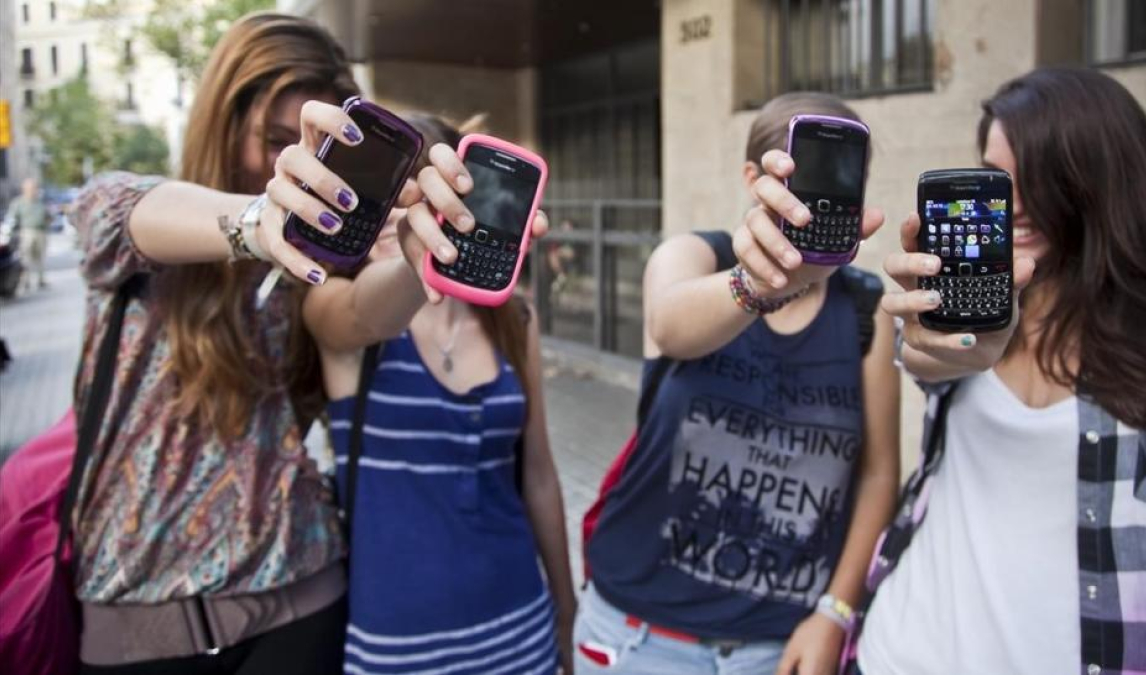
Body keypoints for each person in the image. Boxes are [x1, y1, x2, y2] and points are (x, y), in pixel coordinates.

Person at [64, 14, 459, 674]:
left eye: (311, 149)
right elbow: (130, 214)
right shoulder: (133, 210)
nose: (292, 166)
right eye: (277, 141)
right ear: (223, 117)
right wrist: (256, 221)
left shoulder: (317, 266)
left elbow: (359, 315)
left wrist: (422, 263)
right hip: (135, 623)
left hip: (301, 603)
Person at [855, 66, 1146, 675]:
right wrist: (935, 343)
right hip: (895, 653)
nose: (1006, 204)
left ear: (1098, 177)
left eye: (1036, 175)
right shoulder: (976, 303)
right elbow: (927, 358)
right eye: (994, 177)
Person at [577, 92, 900, 675]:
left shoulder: (864, 308)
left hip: (779, 646)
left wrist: (835, 610)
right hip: (640, 634)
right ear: (754, 178)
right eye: (802, 174)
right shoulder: (693, 256)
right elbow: (669, 326)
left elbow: (879, 472)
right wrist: (761, 284)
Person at [300, 111, 576, 674]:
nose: (401, 215)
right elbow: (359, 312)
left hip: (521, 631)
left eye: (425, 196)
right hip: (395, 650)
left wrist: (567, 611)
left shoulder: (513, 319)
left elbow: (539, 476)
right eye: (388, 193)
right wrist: (415, 262)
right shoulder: (338, 313)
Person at [4, 178, 49, 292]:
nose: (33, 190)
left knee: (40, 257)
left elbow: (47, 215)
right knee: (26, 258)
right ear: (24, 189)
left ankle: (41, 279)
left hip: (40, 231)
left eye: (34, 188)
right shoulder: (18, 202)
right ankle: (26, 281)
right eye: (30, 188)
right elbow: (12, 218)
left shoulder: (40, 202)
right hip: (27, 232)